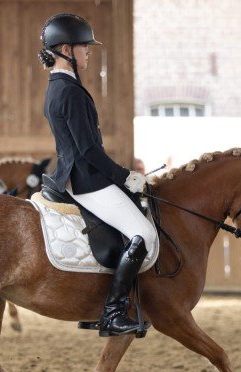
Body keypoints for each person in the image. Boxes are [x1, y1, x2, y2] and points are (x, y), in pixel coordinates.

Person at [39, 13, 156, 337]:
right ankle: (113, 312)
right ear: (66, 49)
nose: (89, 52)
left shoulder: (58, 87)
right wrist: (125, 176)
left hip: (75, 176)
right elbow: (89, 150)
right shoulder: (69, 91)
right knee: (143, 235)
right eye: (84, 47)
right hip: (87, 180)